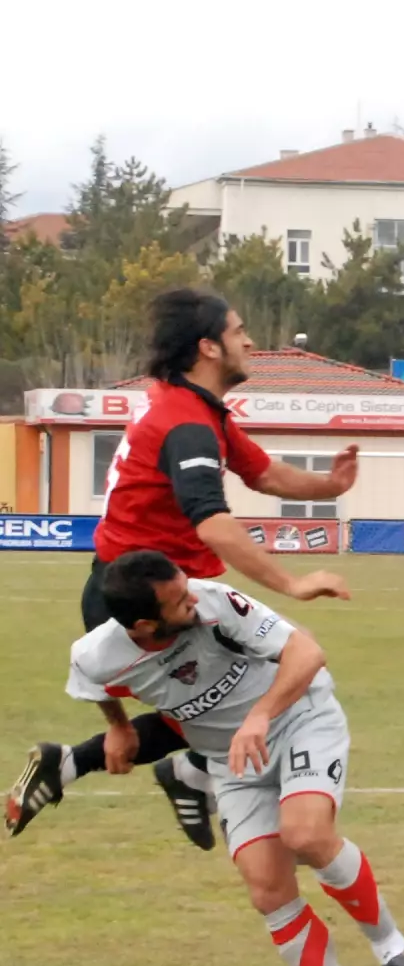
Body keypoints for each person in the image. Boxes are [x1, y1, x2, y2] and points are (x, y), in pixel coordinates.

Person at [7, 289, 357, 847]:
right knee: (255, 686)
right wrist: (293, 582)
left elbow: (262, 472)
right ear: (208, 347)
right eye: (239, 331)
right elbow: (212, 522)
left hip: (134, 584)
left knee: (214, 699)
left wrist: (329, 486)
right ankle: (181, 773)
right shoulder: (188, 424)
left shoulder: (190, 407)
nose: (250, 342)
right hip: (150, 594)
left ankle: (105, 768)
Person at [67, 550, 404, 966]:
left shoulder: (215, 603)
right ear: (144, 625)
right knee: (267, 890)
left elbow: (307, 653)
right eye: (178, 600)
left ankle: (393, 950)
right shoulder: (96, 653)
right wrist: (120, 726)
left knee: (306, 835)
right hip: (232, 759)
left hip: (300, 718)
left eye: (187, 587)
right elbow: (93, 683)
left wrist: (260, 716)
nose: (193, 598)